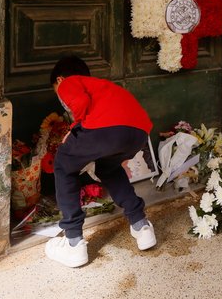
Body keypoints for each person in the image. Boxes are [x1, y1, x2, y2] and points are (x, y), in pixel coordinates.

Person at [44, 55, 156, 267]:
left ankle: (73, 242)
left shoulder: (68, 82)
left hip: (105, 130)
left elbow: (80, 102)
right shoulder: (103, 86)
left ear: (59, 80)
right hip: (138, 133)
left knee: (63, 165)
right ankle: (141, 226)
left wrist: (75, 127)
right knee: (109, 168)